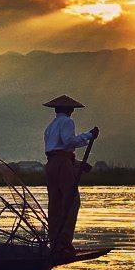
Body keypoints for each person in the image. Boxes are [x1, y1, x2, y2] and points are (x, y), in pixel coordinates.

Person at [42, 95, 99, 257]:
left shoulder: (50, 126)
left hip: (52, 165)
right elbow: (68, 143)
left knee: (55, 204)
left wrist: (77, 164)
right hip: (61, 164)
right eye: (71, 109)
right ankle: (64, 244)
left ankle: (55, 243)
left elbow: (57, 150)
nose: (73, 111)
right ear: (68, 110)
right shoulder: (67, 122)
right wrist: (88, 135)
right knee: (71, 202)